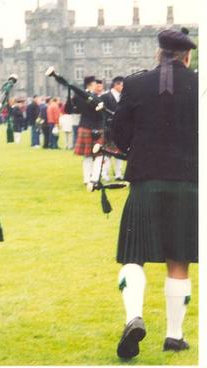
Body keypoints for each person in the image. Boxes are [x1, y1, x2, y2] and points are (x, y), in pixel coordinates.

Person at [111, 28, 197, 359]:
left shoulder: (134, 84)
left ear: (157, 54)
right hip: (189, 183)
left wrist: (137, 147)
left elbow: (118, 133)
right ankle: (174, 336)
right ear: (187, 57)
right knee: (179, 259)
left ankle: (134, 316)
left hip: (146, 181)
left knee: (134, 255)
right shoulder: (199, 85)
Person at [70, 76, 105, 187]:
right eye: (95, 84)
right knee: (98, 155)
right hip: (95, 128)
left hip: (84, 127)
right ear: (90, 85)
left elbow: (72, 108)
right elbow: (100, 115)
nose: (97, 86)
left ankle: (87, 178)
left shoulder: (78, 96)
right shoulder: (94, 98)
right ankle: (94, 178)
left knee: (87, 156)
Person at [101, 76, 125, 180]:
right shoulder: (105, 97)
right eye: (122, 85)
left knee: (120, 152)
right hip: (109, 128)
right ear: (116, 85)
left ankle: (118, 174)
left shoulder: (124, 96)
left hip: (121, 129)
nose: (123, 87)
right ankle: (105, 173)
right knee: (108, 153)